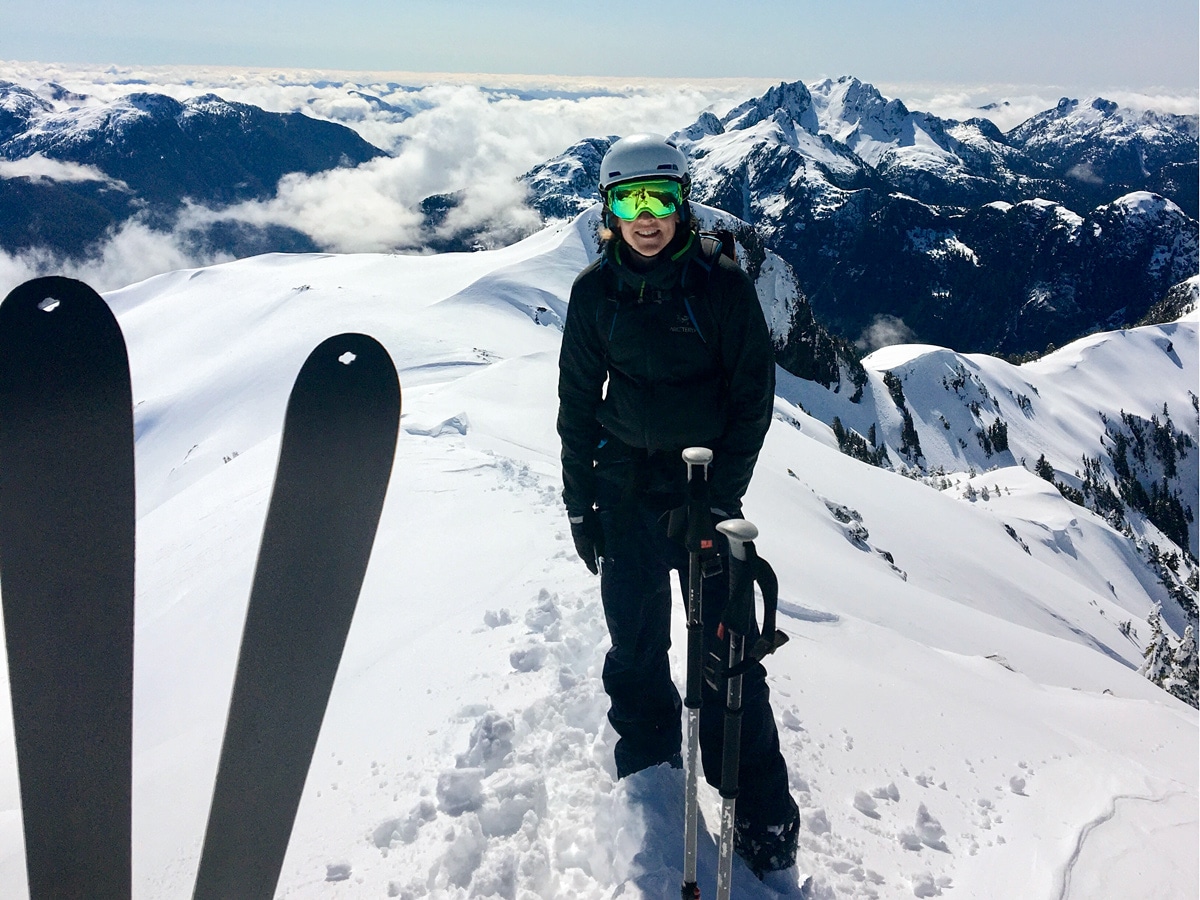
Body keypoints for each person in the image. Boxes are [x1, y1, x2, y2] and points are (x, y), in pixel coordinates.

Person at [556, 133, 800, 877]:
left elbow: (752, 397)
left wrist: (719, 497)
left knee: (726, 658)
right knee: (634, 645)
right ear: (609, 209)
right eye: (629, 200)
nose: (647, 216)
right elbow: (575, 402)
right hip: (625, 487)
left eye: (660, 198)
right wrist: (579, 504)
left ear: (682, 201)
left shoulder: (719, 287)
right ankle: (652, 764)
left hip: (704, 495)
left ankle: (758, 808)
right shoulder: (595, 294)